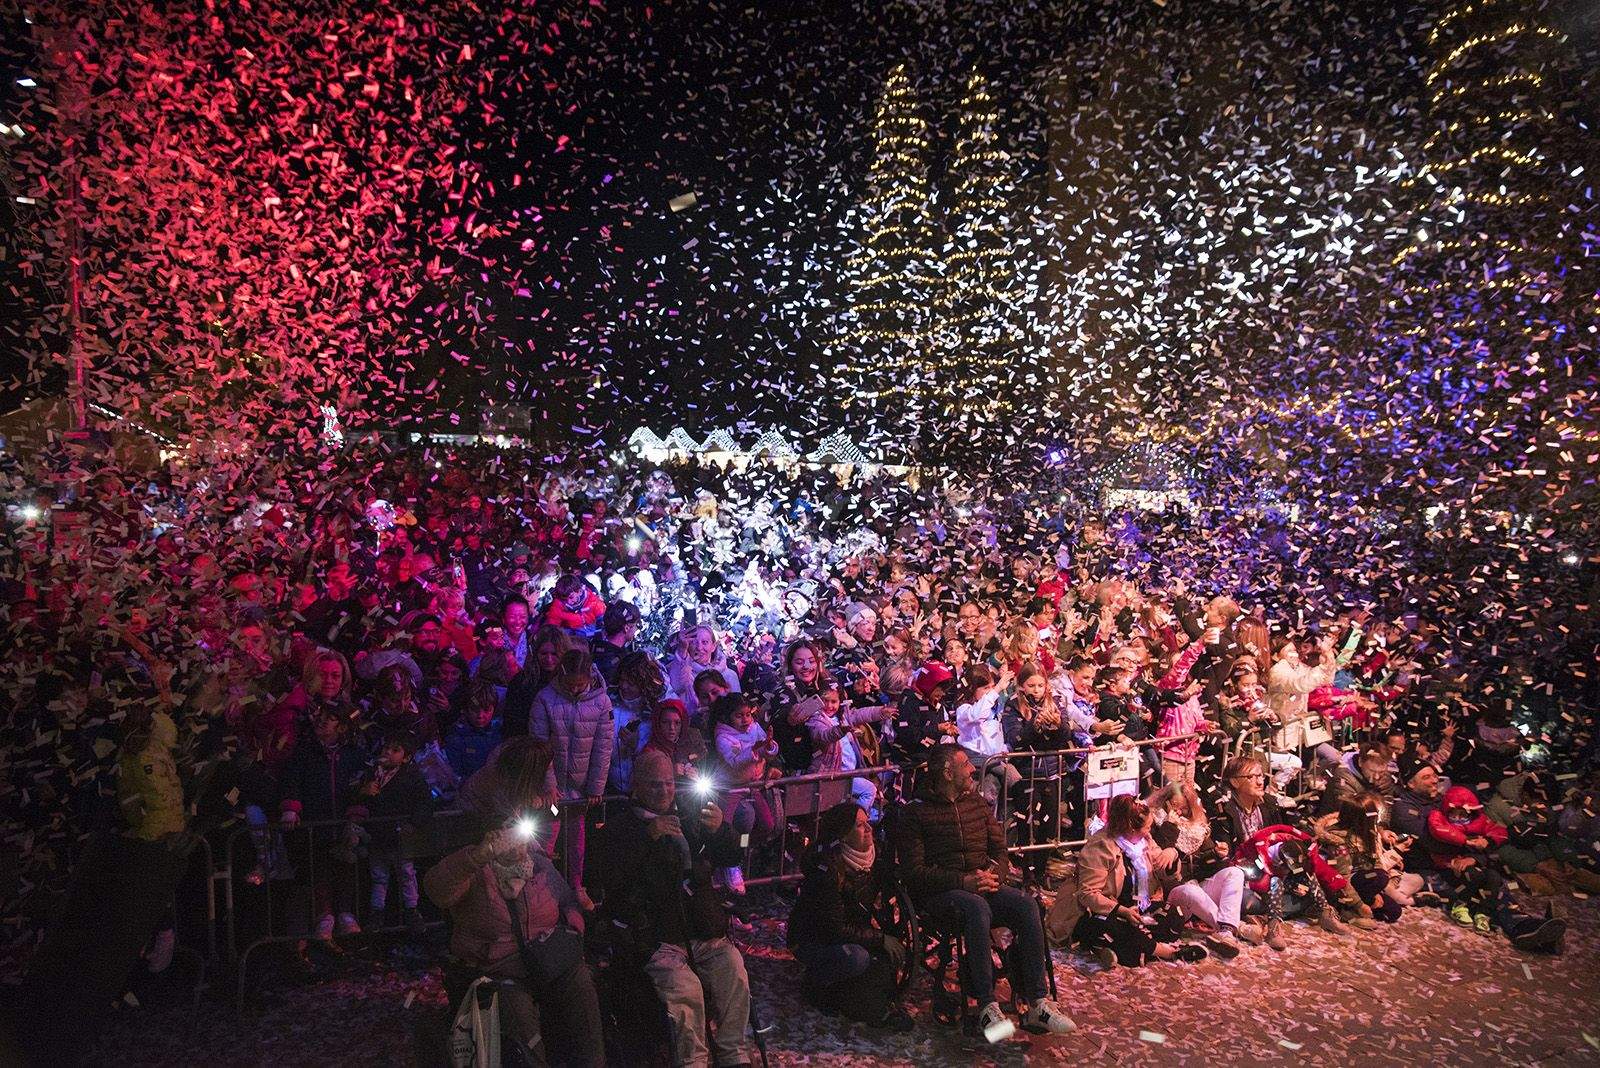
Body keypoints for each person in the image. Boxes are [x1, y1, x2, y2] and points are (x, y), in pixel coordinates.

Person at [890, 745, 1075, 1042]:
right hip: (941, 892)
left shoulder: (975, 803)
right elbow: (914, 872)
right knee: (976, 907)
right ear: (947, 773)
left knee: (1026, 905)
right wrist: (964, 882)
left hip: (980, 884)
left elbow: (999, 850)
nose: (973, 769)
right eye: (965, 764)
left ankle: (1037, 1002)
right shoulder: (916, 813)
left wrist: (994, 876)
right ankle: (987, 1005)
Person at [590, 749, 753, 1068]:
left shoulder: (692, 817)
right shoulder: (618, 829)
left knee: (734, 971)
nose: (664, 791)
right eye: (654, 784)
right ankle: (693, 1061)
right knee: (685, 990)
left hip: (701, 928)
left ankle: (733, 1053)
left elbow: (739, 851)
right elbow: (608, 879)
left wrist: (723, 830)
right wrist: (648, 837)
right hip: (656, 937)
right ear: (636, 786)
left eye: (668, 783)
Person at [424, 823, 604, 1067]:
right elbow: (437, 891)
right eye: (508, 836)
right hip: (499, 966)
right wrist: (476, 857)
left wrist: (573, 924)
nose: (516, 845)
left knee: (581, 987)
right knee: (518, 1016)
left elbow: (566, 900)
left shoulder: (539, 865)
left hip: (547, 958)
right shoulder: (477, 872)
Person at [786, 803, 913, 1032]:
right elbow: (833, 929)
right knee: (858, 958)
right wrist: (879, 939)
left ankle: (857, 994)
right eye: (860, 825)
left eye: (868, 822)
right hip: (812, 939)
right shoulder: (828, 871)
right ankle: (816, 983)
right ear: (843, 835)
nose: (869, 829)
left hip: (848, 930)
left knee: (878, 960)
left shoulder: (872, 858)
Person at [529, 648, 614, 904]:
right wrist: (549, 785)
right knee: (547, 836)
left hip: (579, 786)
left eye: (580, 684)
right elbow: (539, 745)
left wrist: (596, 787)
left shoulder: (601, 702)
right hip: (553, 787)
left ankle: (576, 886)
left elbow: (603, 747)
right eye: (571, 685)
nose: (575, 689)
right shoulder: (545, 699)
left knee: (576, 838)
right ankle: (538, 890)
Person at [350, 727, 435, 930]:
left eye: (395, 750)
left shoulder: (412, 776)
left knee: (406, 873)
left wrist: (413, 823)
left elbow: (425, 802)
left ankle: (411, 910)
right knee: (379, 875)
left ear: (406, 758)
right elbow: (353, 795)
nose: (388, 752)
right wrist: (363, 791)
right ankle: (377, 911)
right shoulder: (370, 773)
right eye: (386, 748)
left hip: (400, 834)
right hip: (377, 833)